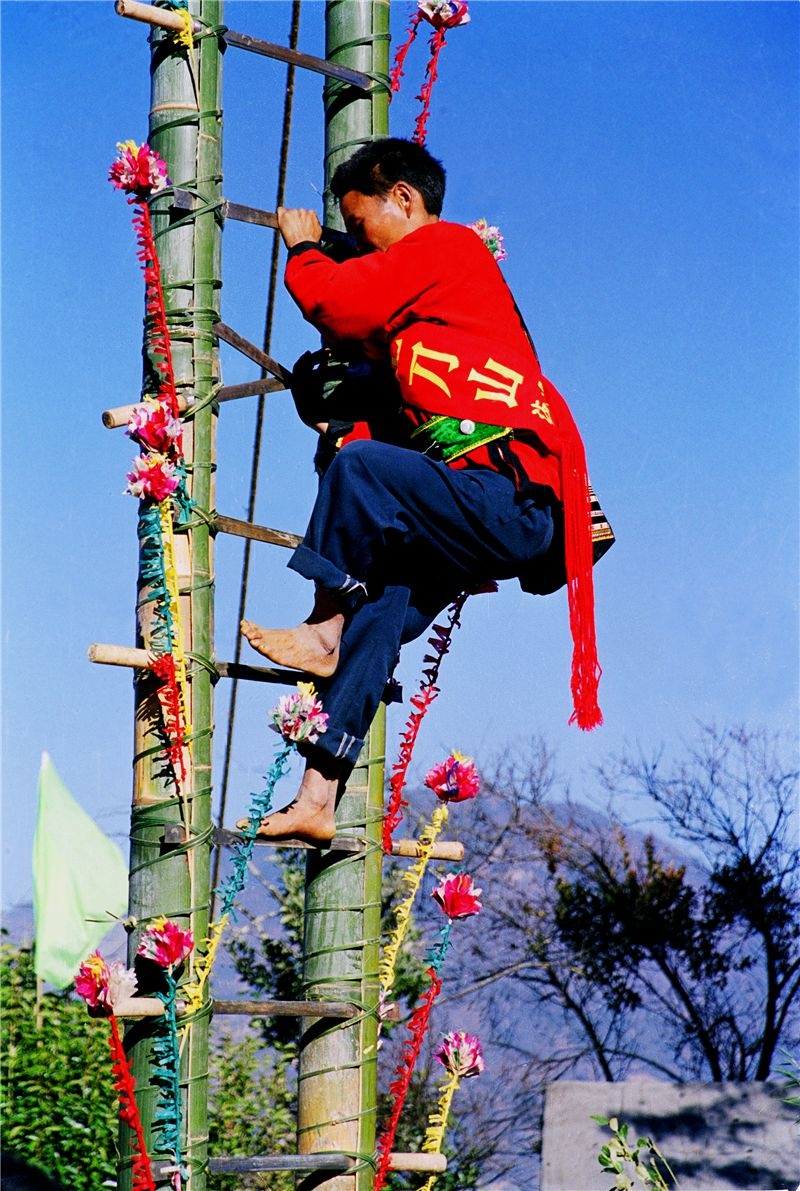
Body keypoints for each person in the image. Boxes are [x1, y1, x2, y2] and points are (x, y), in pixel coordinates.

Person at [240, 138, 609, 844]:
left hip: (508, 498)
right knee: (380, 609)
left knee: (362, 469)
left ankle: (321, 625)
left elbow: (339, 304)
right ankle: (318, 796)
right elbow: (375, 386)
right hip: (482, 511)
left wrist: (307, 249)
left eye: (360, 224)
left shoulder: (447, 247)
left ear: (403, 199)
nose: (360, 244)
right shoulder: (430, 326)